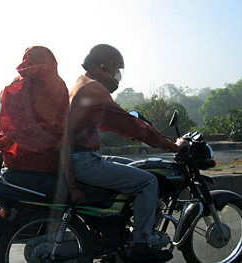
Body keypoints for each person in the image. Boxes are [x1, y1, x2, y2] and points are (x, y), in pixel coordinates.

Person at [68, 44, 189, 262]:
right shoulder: (94, 89)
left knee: (134, 166)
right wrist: (171, 145)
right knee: (148, 182)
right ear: (100, 67)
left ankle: (118, 234)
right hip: (84, 161)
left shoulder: (82, 84)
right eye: (115, 71)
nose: (116, 77)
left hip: (81, 157)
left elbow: (109, 122)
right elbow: (128, 122)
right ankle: (140, 245)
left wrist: (134, 134)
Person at [0, 46, 85, 204]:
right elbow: (60, 133)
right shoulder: (54, 84)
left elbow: (3, 125)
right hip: (45, 166)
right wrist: (72, 186)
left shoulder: (15, 85)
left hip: (14, 164)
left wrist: (2, 161)